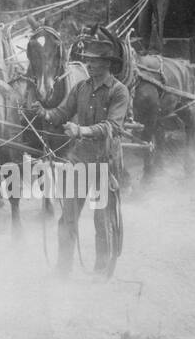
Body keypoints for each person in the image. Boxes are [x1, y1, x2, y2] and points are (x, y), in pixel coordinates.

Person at [28, 35, 130, 275]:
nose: (89, 65)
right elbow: (62, 113)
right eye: (87, 60)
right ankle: (63, 270)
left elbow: (112, 127)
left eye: (94, 61)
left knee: (102, 220)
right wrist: (43, 112)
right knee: (67, 218)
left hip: (106, 161)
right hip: (79, 160)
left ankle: (101, 271)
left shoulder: (119, 91)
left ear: (107, 64)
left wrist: (81, 130)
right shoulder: (80, 88)